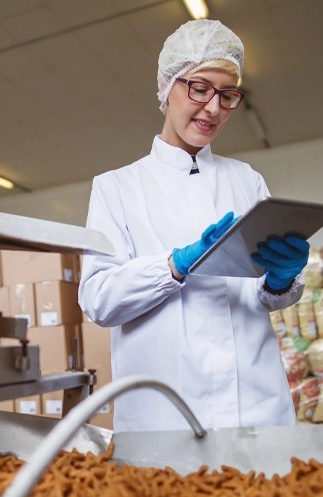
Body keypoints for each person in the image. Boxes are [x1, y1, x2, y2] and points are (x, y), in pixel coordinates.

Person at [78, 19, 310, 432]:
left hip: (255, 406)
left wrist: (280, 281)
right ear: (168, 86)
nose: (214, 108)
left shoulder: (247, 180)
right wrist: (174, 266)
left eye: (228, 94)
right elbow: (98, 300)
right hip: (165, 415)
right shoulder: (117, 187)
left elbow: (261, 299)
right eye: (200, 89)